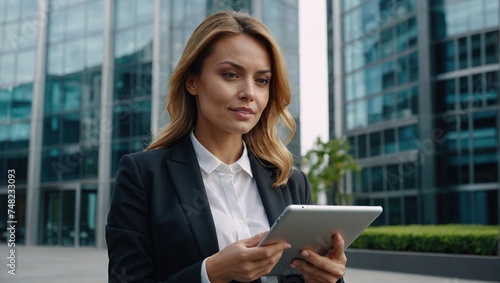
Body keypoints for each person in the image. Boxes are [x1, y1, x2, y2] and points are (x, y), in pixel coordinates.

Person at [106, 10, 347, 283]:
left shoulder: (291, 182)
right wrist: (210, 274)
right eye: (231, 75)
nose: (249, 93)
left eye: (261, 80)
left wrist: (325, 278)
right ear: (192, 81)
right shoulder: (142, 176)